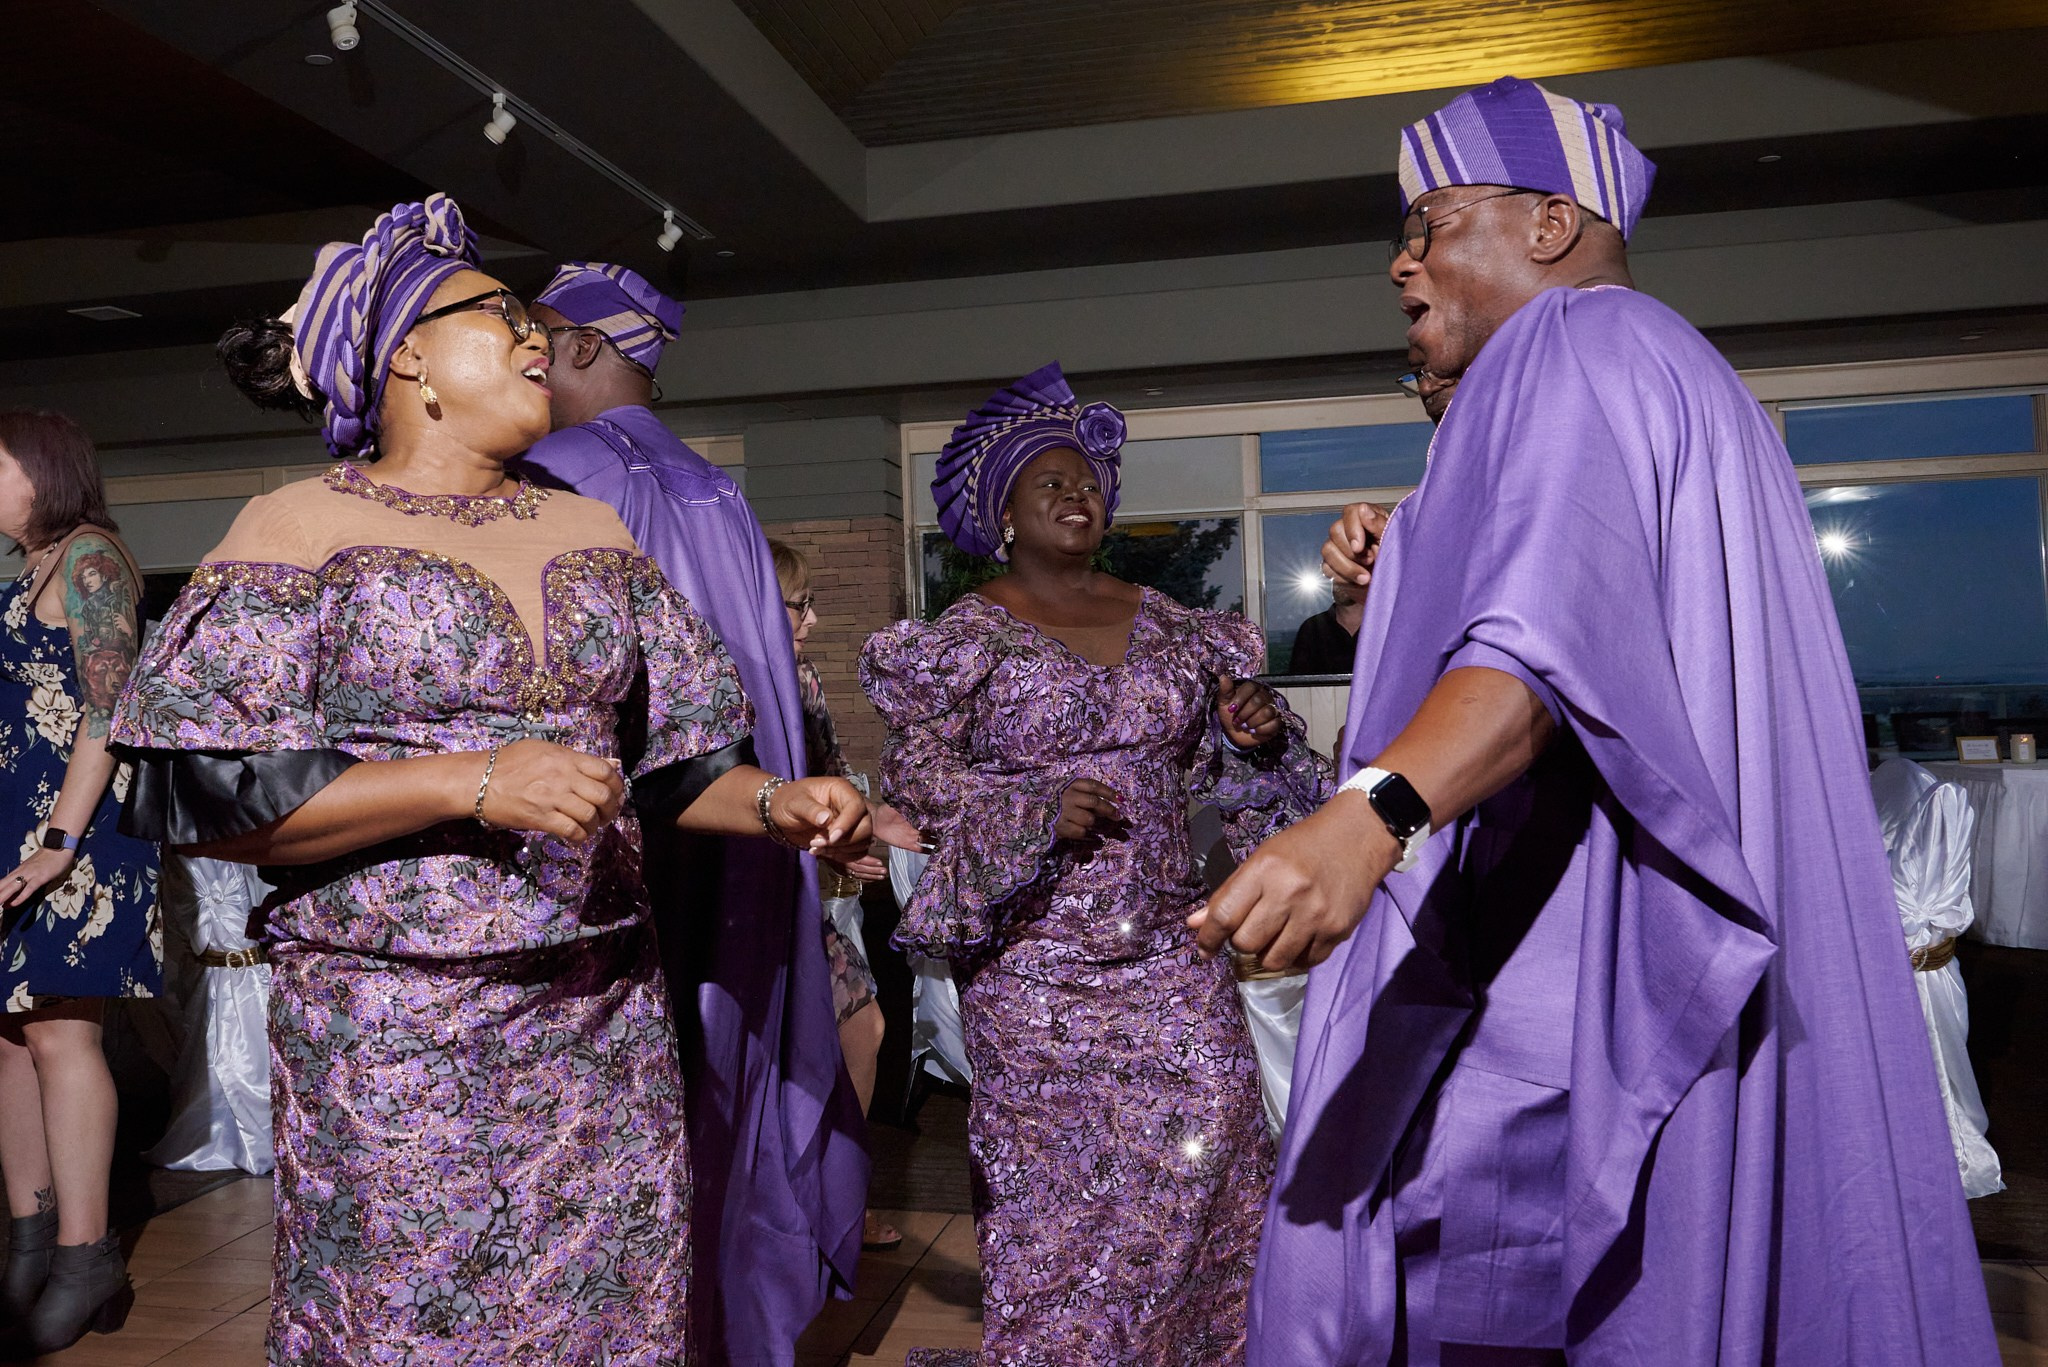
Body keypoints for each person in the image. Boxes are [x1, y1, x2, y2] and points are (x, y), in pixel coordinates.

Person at [1196, 77, 1998, 1363]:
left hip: (1566, 979)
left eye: (1431, 219)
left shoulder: (1568, 344)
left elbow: (1544, 646)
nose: (1400, 259)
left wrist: (1368, 813)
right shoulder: (1672, 364)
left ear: (1550, 222)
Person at [109, 196, 870, 1365]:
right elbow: (212, 796)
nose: (531, 338)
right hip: (398, 1022)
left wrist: (777, 804)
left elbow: (679, 767)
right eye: (498, 314)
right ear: (406, 350)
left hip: (600, 1008)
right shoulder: (295, 527)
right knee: (421, 1324)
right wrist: (467, 780)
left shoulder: (592, 532)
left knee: (613, 1312)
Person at [860, 363, 1332, 1366]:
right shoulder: (965, 637)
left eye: (1089, 481)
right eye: (1051, 483)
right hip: (1035, 971)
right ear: (1001, 515)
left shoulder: (1176, 625)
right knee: (1064, 1198)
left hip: (1172, 948)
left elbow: (1255, 774)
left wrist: (1254, 734)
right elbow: (918, 773)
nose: (1079, 495)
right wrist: (1025, 805)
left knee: (1211, 1152)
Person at [515, 261, 879, 1360]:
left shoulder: (554, 476)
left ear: (581, 346)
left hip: (617, 851)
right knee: (725, 1089)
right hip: (741, 835)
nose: (527, 362)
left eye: (538, 339)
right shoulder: (715, 489)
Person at [0, 410, 159, 1356]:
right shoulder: (31, 568)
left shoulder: (91, 557)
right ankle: (29, 1239)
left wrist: (59, 840)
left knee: (62, 1033)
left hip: (80, 832)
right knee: (12, 1038)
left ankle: (85, 1252)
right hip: (21, 831)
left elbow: (110, 706)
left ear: (44, 471)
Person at [768, 537, 906, 1253]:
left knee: (866, 1027)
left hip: (797, 902)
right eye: (801, 605)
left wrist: (875, 824)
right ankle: (789, 1213)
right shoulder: (716, 684)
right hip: (738, 908)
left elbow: (832, 773)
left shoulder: (806, 680)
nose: (813, 620)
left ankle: (841, 1196)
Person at [1286, 575, 1365, 674]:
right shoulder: (1312, 628)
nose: (1339, 585)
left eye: (1347, 580)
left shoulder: (1383, 628)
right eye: (1336, 580)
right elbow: (1298, 678)